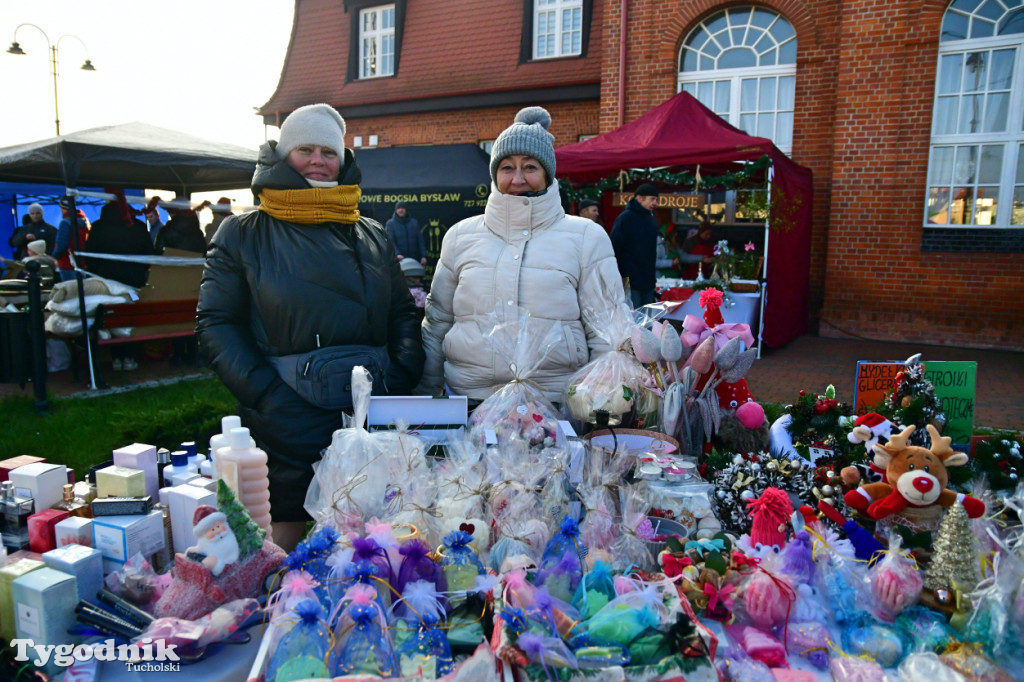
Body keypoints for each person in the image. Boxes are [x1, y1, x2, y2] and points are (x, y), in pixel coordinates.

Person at [196, 103, 424, 552]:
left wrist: (401, 372)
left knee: (370, 533)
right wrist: (269, 397)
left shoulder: (372, 232)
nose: (319, 160)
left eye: (329, 151)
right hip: (286, 418)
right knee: (286, 540)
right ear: (282, 156)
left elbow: (402, 312)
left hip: (368, 409)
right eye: (305, 149)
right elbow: (217, 324)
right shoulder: (242, 233)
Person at [421, 106, 624, 405]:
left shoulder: (586, 238)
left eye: (530, 167)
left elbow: (608, 331)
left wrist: (600, 403)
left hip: (554, 403)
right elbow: (437, 322)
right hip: (468, 400)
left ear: (547, 174)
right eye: (507, 167)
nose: (517, 178)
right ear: (494, 174)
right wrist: (424, 393)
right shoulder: (460, 237)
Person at [84, 193, 155, 371]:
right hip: (133, 281)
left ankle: (116, 357)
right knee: (131, 317)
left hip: (106, 281)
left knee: (111, 318)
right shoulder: (138, 227)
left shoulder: (98, 227)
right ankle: (130, 356)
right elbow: (149, 254)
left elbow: (89, 255)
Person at [610, 183, 660, 309]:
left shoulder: (650, 218)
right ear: (639, 198)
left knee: (648, 321)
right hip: (630, 281)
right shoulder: (625, 218)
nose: (655, 203)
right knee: (633, 320)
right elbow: (614, 247)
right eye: (652, 199)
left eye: (656, 200)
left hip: (648, 280)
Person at [52, 196, 90, 282]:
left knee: (71, 292)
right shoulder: (86, 221)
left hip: (67, 263)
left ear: (61, 207)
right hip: (83, 263)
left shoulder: (65, 223)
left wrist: (54, 256)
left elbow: (62, 245)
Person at [385, 200, 426, 265]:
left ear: (406, 210)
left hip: (414, 259)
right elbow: (390, 241)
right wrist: (397, 254)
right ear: (396, 210)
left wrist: (423, 256)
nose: (401, 210)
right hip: (398, 261)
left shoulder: (414, 223)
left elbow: (420, 241)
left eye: (403, 208)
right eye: (398, 208)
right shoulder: (390, 224)